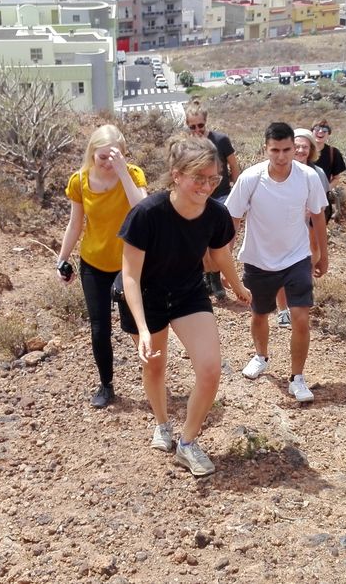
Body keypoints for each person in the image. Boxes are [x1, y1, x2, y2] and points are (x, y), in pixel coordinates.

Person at [117, 137, 250, 477]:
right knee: (155, 366)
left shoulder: (216, 214)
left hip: (188, 292)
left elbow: (220, 255)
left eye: (213, 179)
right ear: (177, 175)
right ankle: (162, 423)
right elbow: (130, 276)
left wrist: (237, 286)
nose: (207, 186)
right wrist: (144, 329)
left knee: (210, 369)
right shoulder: (147, 214)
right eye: (199, 178)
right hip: (145, 295)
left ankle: (188, 443)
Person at [225, 122, 329, 403]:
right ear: (266, 149)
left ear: (294, 148)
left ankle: (297, 377)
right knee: (259, 314)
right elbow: (233, 219)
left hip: (296, 258)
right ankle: (261, 356)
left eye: (287, 150)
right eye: (275, 150)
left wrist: (323, 254)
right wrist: (227, 261)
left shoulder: (308, 177)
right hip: (259, 260)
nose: (282, 157)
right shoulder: (251, 178)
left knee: (301, 318)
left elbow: (318, 215)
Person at [56, 124, 147, 409]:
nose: (108, 162)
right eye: (102, 157)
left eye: (114, 156)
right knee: (99, 329)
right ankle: (106, 385)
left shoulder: (132, 175)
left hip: (128, 264)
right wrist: (62, 259)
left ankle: (153, 375)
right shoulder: (79, 180)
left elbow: (143, 210)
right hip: (93, 263)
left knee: (134, 325)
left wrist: (122, 172)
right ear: (91, 154)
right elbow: (75, 224)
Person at [184, 99, 241, 298]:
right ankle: (208, 278)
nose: (197, 130)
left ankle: (215, 279)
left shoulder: (221, 140)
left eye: (200, 125)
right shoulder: (188, 146)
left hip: (222, 197)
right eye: (192, 127)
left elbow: (234, 167)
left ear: (206, 122)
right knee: (201, 243)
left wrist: (236, 189)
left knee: (217, 243)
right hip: (198, 199)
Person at [273, 128, 328, 327]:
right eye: (297, 146)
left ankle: (298, 304)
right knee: (280, 265)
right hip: (282, 227)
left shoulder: (317, 173)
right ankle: (282, 310)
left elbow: (321, 205)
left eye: (305, 146)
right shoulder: (279, 170)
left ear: (311, 149)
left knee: (307, 263)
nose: (300, 150)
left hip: (308, 227)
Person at [310, 119, 345, 222]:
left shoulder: (333, 153)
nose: (320, 132)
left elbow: (336, 178)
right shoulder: (302, 150)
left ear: (328, 134)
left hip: (321, 201)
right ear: (311, 131)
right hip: (300, 199)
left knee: (316, 233)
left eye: (324, 130)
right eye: (317, 129)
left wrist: (325, 189)